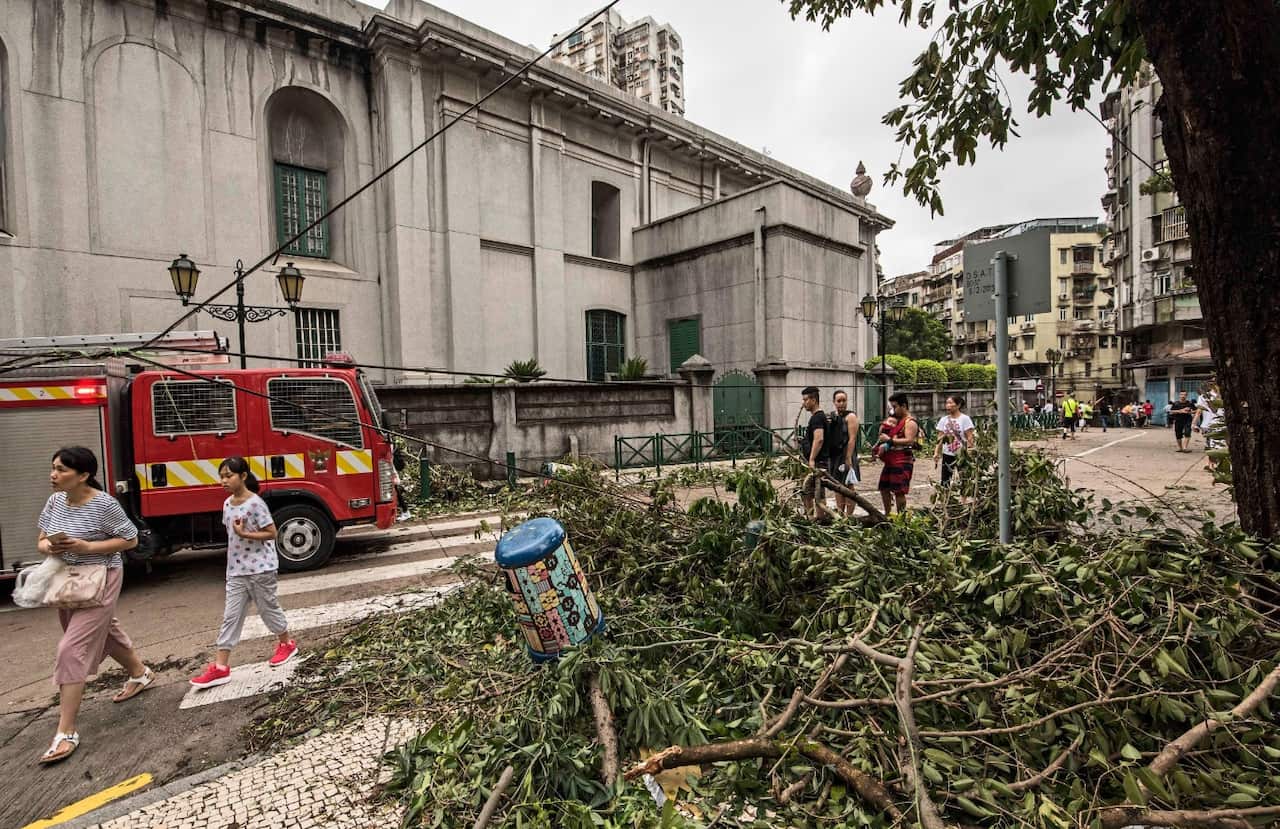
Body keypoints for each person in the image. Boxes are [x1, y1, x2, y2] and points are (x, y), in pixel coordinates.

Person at [36, 447, 155, 764]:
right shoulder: (55, 501)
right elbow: (41, 540)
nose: (53, 475)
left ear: (84, 475)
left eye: (61, 470)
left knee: (71, 648)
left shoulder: (104, 504)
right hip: (69, 577)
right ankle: (139, 673)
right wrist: (52, 545)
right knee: (104, 631)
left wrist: (88, 546)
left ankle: (66, 732)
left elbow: (130, 539)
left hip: (102, 576)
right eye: (53, 468)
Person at [190, 457, 298, 689]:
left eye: (229, 476)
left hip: (261, 568)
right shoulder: (227, 503)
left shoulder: (256, 504)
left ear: (244, 476)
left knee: (268, 609)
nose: (224, 481)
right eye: (222, 476)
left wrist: (246, 534)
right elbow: (231, 535)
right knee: (231, 616)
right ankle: (220, 667)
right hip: (237, 570)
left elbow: (272, 533)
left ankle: (287, 643)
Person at [877, 393, 919, 515]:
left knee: (899, 491)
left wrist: (890, 441)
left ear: (903, 406)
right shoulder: (896, 420)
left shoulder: (910, 422)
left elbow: (909, 440)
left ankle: (901, 517)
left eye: (895, 407)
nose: (893, 410)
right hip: (890, 460)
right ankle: (888, 514)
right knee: (884, 487)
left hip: (902, 460)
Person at [798, 387, 829, 519]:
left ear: (813, 400)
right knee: (813, 492)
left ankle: (816, 520)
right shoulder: (819, 417)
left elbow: (819, 438)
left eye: (806, 399)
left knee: (813, 493)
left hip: (817, 462)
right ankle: (816, 519)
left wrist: (811, 459)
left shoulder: (817, 418)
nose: (803, 403)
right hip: (818, 460)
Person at [829, 390, 862, 516]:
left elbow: (852, 438)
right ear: (834, 402)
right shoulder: (832, 416)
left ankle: (849, 515)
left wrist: (848, 457)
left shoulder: (851, 417)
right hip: (835, 455)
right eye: (839, 401)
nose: (842, 403)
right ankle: (840, 514)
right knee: (837, 485)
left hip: (847, 454)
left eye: (844, 400)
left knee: (848, 485)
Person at [933, 395, 975, 487]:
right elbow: (940, 438)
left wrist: (969, 451)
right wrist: (936, 452)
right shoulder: (943, 420)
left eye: (950, 403)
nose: (948, 405)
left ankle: (963, 500)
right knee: (945, 479)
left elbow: (970, 437)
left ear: (958, 405)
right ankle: (946, 499)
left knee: (964, 478)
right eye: (947, 403)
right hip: (947, 454)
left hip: (962, 454)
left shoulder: (965, 419)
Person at [1193, 385, 1221, 472]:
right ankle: (1212, 464)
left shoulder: (1204, 396)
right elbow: (1199, 411)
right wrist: (1194, 423)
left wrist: (1193, 424)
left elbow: (1198, 411)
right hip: (1210, 424)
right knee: (1213, 445)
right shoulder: (1204, 397)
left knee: (1212, 445)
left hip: (1213, 424)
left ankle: (1211, 464)